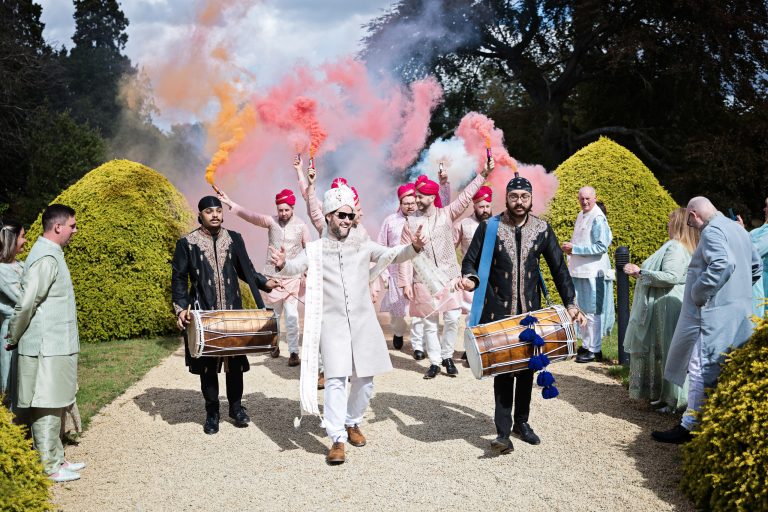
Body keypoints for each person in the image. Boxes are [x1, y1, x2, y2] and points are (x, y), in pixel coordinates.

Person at [270, 184, 430, 465]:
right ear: (329, 216)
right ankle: (337, 438)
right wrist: (283, 264)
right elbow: (295, 266)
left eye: (350, 215)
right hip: (331, 324)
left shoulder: (363, 244)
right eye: (341, 215)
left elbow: (393, 254)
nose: (346, 220)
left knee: (365, 380)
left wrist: (414, 247)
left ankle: (352, 420)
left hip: (363, 322)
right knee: (335, 379)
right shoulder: (316, 249)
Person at [460, 173, 585, 452]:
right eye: (514, 197)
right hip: (500, 314)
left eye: (524, 197)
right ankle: (502, 433)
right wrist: (469, 279)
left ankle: (522, 422)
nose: (519, 202)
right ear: (506, 198)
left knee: (528, 370)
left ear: (531, 199)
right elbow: (470, 262)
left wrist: (571, 304)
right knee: (504, 372)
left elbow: (559, 269)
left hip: (530, 314)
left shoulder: (542, 229)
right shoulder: (490, 227)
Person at [653, 197, 762, 443]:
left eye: (689, 220)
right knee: (724, 367)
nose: (690, 226)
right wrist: (736, 291)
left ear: (694, 215)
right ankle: (712, 422)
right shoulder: (737, 228)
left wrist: (698, 293)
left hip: (712, 314)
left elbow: (723, 263)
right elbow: (754, 267)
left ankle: (690, 426)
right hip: (738, 312)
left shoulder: (711, 231)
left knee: (700, 367)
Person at [172, 196, 277, 435]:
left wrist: (265, 283)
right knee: (207, 367)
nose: (215, 215)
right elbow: (178, 278)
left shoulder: (234, 239)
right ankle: (212, 413)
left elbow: (246, 269)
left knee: (235, 364)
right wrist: (181, 308)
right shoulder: (187, 243)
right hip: (204, 315)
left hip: (232, 313)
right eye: (209, 211)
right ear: (200, 215)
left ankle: (236, 409)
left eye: (218, 211)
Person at [6, 204, 85, 482]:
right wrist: (13, 335)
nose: (75, 230)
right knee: (47, 404)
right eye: (72, 226)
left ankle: (57, 457)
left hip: (55, 344)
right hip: (46, 346)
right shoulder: (46, 258)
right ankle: (49, 466)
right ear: (58, 227)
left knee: (56, 402)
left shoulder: (51, 254)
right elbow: (27, 302)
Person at [399, 159, 493, 379]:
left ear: (432, 197)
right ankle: (434, 362)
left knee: (452, 318)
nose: (416, 200)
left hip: (450, 276)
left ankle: (447, 356)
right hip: (423, 278)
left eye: (420, 196)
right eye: (416, 196)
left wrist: (483, 174)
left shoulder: (446, 214)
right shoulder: (409, 222)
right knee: (430, 322)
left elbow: (466, 197)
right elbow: (404, 254)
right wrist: (405, 282)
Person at [217, 188, 310, 366]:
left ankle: (293, 352)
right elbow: (251, 216)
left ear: (292, 208)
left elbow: (309, 251)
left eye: (286, 210)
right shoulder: (271, 221)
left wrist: (306, 272)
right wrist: (230, 203)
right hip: (271, 279)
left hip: (292, 278)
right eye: (280, 210)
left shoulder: (301, 226)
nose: (283, 213)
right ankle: (274, 345)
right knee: (272, 317)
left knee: (291, 317)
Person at [622, 208, 700, 411]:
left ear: (678, 224)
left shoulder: (676, 247)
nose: (667, 224)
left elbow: (671, 276)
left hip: (668, 303)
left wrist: (640, 272)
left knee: (669, 351)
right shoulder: (681, 246)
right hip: (669, 302)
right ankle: (666, 396)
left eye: (670, 221)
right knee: (666, 351)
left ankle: (676, 400)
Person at [562, 186, 613, 363]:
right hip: (580, 271)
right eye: (581, 198)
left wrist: (575, 249)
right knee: (581, 310)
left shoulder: (598, 217)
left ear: (595, 198)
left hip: (594, 272)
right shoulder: (581, 215)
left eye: (588, 198)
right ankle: (586, 345)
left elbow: (601, 247)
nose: (584, 202)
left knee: (593, 311)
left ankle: (595, 349)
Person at [376, 184, 422, 352]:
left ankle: (418, 345)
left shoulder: (422, 219)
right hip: (396, 272)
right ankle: (398, 332)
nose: (410, 206)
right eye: (406, 203)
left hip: (419, 271)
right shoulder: (390, 221)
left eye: (413, 202)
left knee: (419, 308)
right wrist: (384, 274)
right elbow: (381, 246)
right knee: (397, 311)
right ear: (400, 203)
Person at [454, 185, 493, 314]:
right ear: (474, 206)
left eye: (487, 206)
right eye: (481, 207)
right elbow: (449, 251)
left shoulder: (498, 224)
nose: (485, 210)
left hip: (494, 278)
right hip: (471, 276)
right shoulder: (463, 224)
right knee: (472, 316)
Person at [0, 218, 26, 411]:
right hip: (11, 330)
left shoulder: (23, 265)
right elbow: (22, 298)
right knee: (11, 378)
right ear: (12, 240)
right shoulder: (1, 271)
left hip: (26, 326)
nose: (25, 240)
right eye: (22, 236)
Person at [737, 197, 768, 317]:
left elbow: (753, 251)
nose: (764, 209)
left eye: (767, 206)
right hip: (753, 280)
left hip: (763, 282)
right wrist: (741, 230)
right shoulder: (762, 229)